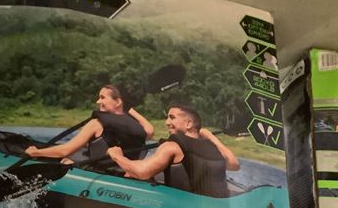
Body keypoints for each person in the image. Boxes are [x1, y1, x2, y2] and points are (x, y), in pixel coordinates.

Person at [106, 104, 239, 198]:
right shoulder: (212, 147)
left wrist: (118, 156)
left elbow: (142, 172)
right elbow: (234, 164)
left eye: (172, 117)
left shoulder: (172, 146)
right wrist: (210, 136)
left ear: (188, 124)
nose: (167, 122)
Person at [24, 85, 154, 163]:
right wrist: (127, 108)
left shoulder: (97, 123)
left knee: (65, 161)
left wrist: (35, 152)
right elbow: (150, 129)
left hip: (101, 174)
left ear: (118, 101)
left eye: (102, 97)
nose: (98, 101)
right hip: (124, 174)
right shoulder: (139, 128)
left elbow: (65, 151)